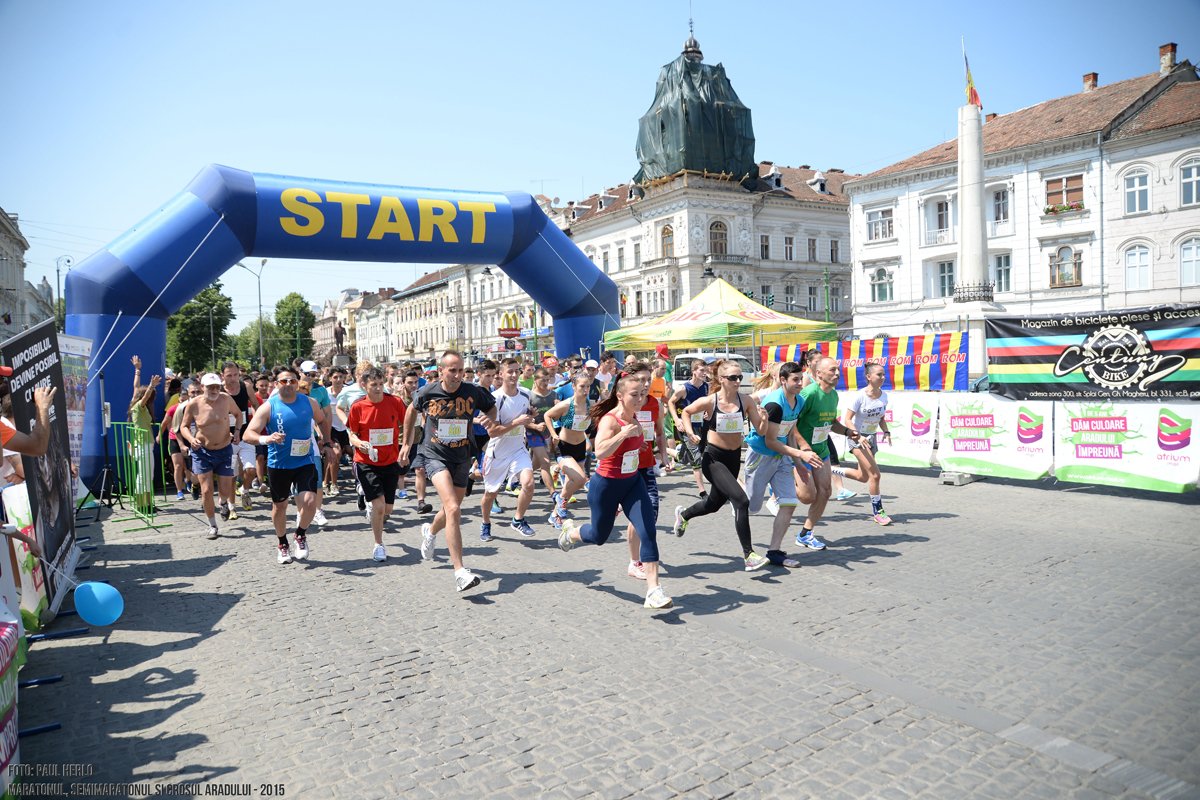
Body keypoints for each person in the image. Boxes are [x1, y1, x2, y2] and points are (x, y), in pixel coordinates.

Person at [557, 375, 671, 610]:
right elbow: (599, 452)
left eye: (642, 394)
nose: (640, 399)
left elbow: (631, 446)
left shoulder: (635, 416)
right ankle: (571, 532)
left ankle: (653, 591)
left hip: (632, 482)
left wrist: (637, 445)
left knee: (648, 530)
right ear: (620, 395)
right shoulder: (610, 421)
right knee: (599, 536)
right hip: (606, 486)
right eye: (634, 395)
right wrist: (623, 435)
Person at [400, 350, 498, 593]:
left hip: (463, 456)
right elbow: (411, 410)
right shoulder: (427, 392)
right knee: (453, 508)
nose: (457, 375)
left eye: (460, 370)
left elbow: (491, 407)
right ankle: (460, 572)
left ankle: (430, 531)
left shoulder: (472, 391)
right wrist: (405, 442)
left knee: (450, 508)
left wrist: (489, 420)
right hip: (434, 454)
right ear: (441, 371)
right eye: (452, 370)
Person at [672, 360, 772, 571]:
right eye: (733, 378)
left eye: (740, 377)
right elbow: (686, 412)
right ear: (721, 379)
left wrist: (763, 420)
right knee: (741, 500)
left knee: (713, 504)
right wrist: (689, 432)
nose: (737, 381)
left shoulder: (745, 401)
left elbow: (761, 431)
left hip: (734, 458)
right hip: (713, 458)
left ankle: (684, 515)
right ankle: (749, 555)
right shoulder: (710, 401)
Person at [742, 361, 825, 568]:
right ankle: (735, 491)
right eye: (795, 380)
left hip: (782, 457)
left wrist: (798, 465)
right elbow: (770, 441)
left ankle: (774, 552)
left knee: (789, 503)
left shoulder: (799, 401)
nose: (799, 383)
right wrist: (801, 455)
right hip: (761, 455)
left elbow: (789, 434)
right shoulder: (775, 404)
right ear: (782, 380)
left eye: (801, 379)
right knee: (752, 507)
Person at [243, 366, 330, 564]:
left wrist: (327, 442)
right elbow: (249, 434)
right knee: (280, 506)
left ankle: (300, 534)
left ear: (298, 383)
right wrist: (267, 438)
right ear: (276, 384)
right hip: (279, 464)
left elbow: (323, 420)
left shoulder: (309, 402)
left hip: (304, 459)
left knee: (309, 501)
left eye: (292, 381)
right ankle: (282, 543)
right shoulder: (269, 406)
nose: (289, 385)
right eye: (284, 381)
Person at [794, 357, 863, 549]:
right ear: (819, 374)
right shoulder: (808, 394)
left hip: (821, 451)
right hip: (802, 452)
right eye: (832, 370)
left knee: (825, 492)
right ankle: (779, 484)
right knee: (807, 496)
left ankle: (805, 533)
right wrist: (802, 446)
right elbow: (791, 422)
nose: (837, 373)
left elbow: (832, 423)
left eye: (838, 370)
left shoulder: (833, 395)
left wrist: (848, 432)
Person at [345, 367, 407, 561]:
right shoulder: (358, 406)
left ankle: (370, 502)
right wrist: (359, 444)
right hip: (366, 461)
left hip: (390, 461)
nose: (379, 388)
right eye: (374, 385)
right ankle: (378, 545)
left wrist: (405, 446)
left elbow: (408, 423)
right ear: (364, 385)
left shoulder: (395, 402)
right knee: (379, 506)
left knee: (387, 509)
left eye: (381, 384)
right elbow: (351, 434)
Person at [479, 358, 537, 541]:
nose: (514, 375)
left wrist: (530, 418)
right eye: (510, 371)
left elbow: (525, 416)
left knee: (528, 483)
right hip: (497, 453)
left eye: (516, 371)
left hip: (518, 449)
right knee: (490, 494)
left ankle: (518, 519)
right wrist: (517, 422)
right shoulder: (494, 399)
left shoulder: (526, 394)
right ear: (501, 374)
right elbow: (493, 432)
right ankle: (486, 523)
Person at [176, 373, 240, 538]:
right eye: (210, 387)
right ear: (202, 387)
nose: (214, 390)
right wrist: (190, 439)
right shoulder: (193, 404)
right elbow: (183, 426)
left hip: (225, 449)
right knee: (207, 490)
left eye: (217, 387)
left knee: (225, 489)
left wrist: (237, 431)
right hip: (202, 451)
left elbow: (239, 415)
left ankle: (224, 503)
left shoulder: (226, 399)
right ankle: (213, 525)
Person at [620, 361, 668, 580]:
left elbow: (659, 432)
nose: (646, 383)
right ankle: (635, 561)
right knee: (600, 531)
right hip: (623, 467)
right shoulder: (620, 403)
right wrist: (628, 440)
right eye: (641, 379)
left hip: (646, 464)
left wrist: (664, 456)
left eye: (648, 379)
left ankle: (638, 559)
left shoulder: (654, 404)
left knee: (651, 511)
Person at [832, 362, 894, 525]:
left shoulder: (884, 395)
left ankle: (830, 469)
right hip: (857, 438)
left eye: (883, 374)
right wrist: (858, 436)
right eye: (879, 375)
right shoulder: (860, 396)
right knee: (875, 475)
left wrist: (886, 432)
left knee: (863, 476)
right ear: (868, 377)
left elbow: (881, 418)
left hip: (871, 439)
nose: (883, 377)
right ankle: (878, 511)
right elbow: (847, 419)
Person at [542, 371, 592, 529]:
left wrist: (587, 439)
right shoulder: (566, 404)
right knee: (580, 480)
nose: (585, 390)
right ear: (573, 386)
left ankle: (555, 515)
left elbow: (582, 424)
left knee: (572, 484)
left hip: (581, 447)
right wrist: (552, 434)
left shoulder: (589, 404)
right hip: (564, 448)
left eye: (588, 386)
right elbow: (547, 415)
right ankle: (560, 503)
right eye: (582, 386)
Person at [668, 358, 710, 497]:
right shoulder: (683, 388)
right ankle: (702, 492)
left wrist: (706, 413)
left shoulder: (706, 387)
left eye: (706, 370)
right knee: (697, 458)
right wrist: (677, 419)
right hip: (687, 427)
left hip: (701, 426)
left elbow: (707, 404)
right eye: (701, 370)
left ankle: (663, 450)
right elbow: (670, 402)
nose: (705, 373)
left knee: (683, 458)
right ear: (693, 372)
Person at [127, 371, 160, 512]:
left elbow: (136, 387)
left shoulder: (138, 406)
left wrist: (138, 371)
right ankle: (142, 505)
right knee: (144, 476)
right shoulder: (140, 407)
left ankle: (147, 503)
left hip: (145, 444)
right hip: (143, 444)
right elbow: (145, 397)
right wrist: (151, 386)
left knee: (148, 475)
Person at [526, 368, 557, 499]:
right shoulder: (530, 397)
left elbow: (556, 417)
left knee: (537, 463)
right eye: (542, 380)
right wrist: (535, 426)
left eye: (547, 380)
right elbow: (523, 421)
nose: (545, 383)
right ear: (535, 380)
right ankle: (554, 494)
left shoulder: (553, 395)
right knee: (545, 462)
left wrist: (558, 410)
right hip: (532, 433)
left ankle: (516, 479)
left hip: (547, 433)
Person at [325, 366, 349, 495]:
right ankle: (333, 484)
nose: (338, 380)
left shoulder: (348, 391)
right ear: (330, 378)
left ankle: (361, 483)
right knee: (336, 453)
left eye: (341, 377)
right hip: (332, 427)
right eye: (335, 377)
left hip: (346, 427)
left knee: (355, 453)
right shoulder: (326, 393)